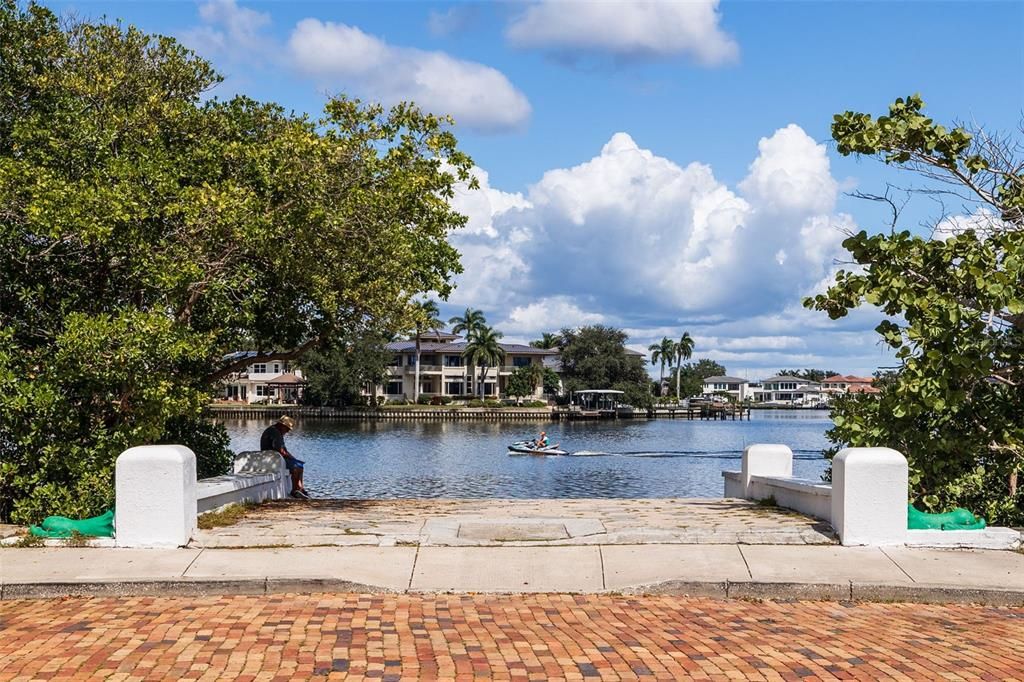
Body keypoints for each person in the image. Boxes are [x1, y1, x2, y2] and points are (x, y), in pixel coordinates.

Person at [261, 415, 310, 499]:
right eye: (287, 429)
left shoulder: (276, 431)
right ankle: (294, 490)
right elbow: (281, 451)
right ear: (282, 426)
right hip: (272, 459)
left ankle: (300, 489)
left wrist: (294, 459)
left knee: (300, 466)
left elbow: (284, 450)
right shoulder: (275, 432)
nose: (287, 431)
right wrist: (292, 459)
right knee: (296, 467)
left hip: (275, 457)